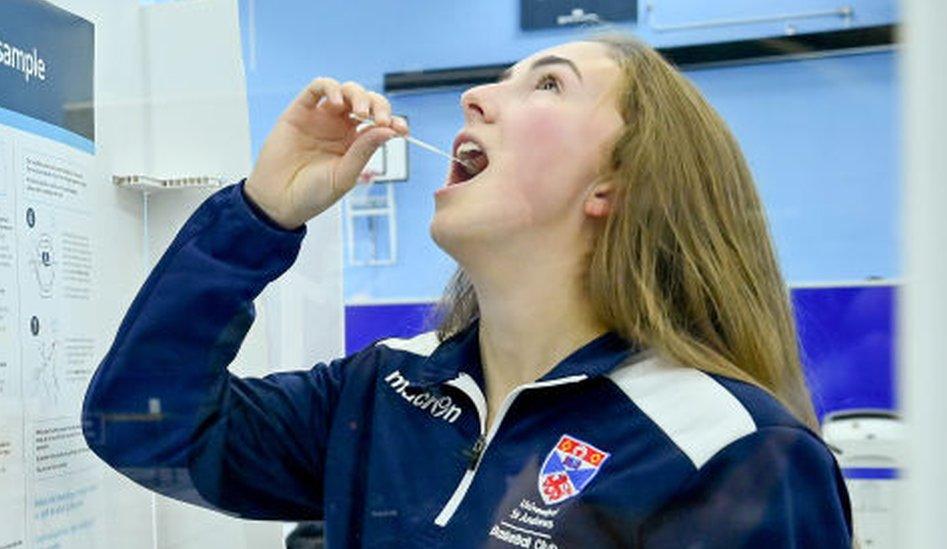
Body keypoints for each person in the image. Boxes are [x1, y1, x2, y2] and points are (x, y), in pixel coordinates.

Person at [82, 32, 853, 547]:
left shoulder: (729, 448)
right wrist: (260, 213)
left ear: (617, 185)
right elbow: (144, 428)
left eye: (548, 85)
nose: (475, 97)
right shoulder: (383, 389)